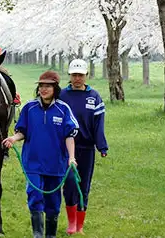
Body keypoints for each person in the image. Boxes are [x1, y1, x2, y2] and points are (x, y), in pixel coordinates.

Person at [2, 70, 78, 238]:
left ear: (55, 88)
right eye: (41, 86)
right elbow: (23, 131)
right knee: (34, 195)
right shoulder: (29, 108)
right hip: (33, 162)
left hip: (56, 163)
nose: (44, 89)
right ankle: (38, 234)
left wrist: (71, 158)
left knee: (53, 200)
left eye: (48, 86)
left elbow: (69, 135)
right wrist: (13, 138)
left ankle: (50, 235)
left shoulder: (63, 109)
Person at [60, 59, 108, 235]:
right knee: (71, 182)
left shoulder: (94, 96)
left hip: (86, 148)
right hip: (66, 148)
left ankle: (80, 224)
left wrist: (101, 146)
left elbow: (98, 124)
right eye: (74, 75)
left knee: (84, 185)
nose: (77, 78)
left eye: (80, 75)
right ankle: (71, 222)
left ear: (86, 75)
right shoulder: (62, 95)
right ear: (70, 76)